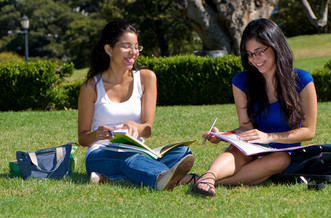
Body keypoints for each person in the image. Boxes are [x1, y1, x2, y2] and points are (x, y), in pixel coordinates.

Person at [194, 18, 317, 196]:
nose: (254, 60)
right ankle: (209, 177)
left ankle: (199, 180)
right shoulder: (241, 81)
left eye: (259, 52)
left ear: (276, 47)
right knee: (240, 150)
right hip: (251, 146)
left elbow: (308, 131)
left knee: (280, 160)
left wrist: (268, 137)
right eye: (249, 54)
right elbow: (246, 128)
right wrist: (224, 136)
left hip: (283, 150)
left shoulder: (302, 81)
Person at [78, 20, 195, 190]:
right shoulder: (91, 86)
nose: (133, 52)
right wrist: (98, 134)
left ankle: (115, 179)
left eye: (136, 47)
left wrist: (136, 127)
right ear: (109, 49)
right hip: (101, 154)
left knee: (182, 152)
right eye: (126, 46)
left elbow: (147, 129)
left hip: (139, 151)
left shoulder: (147, 78)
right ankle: (163, 177)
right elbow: (82, 138)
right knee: (129, 159)